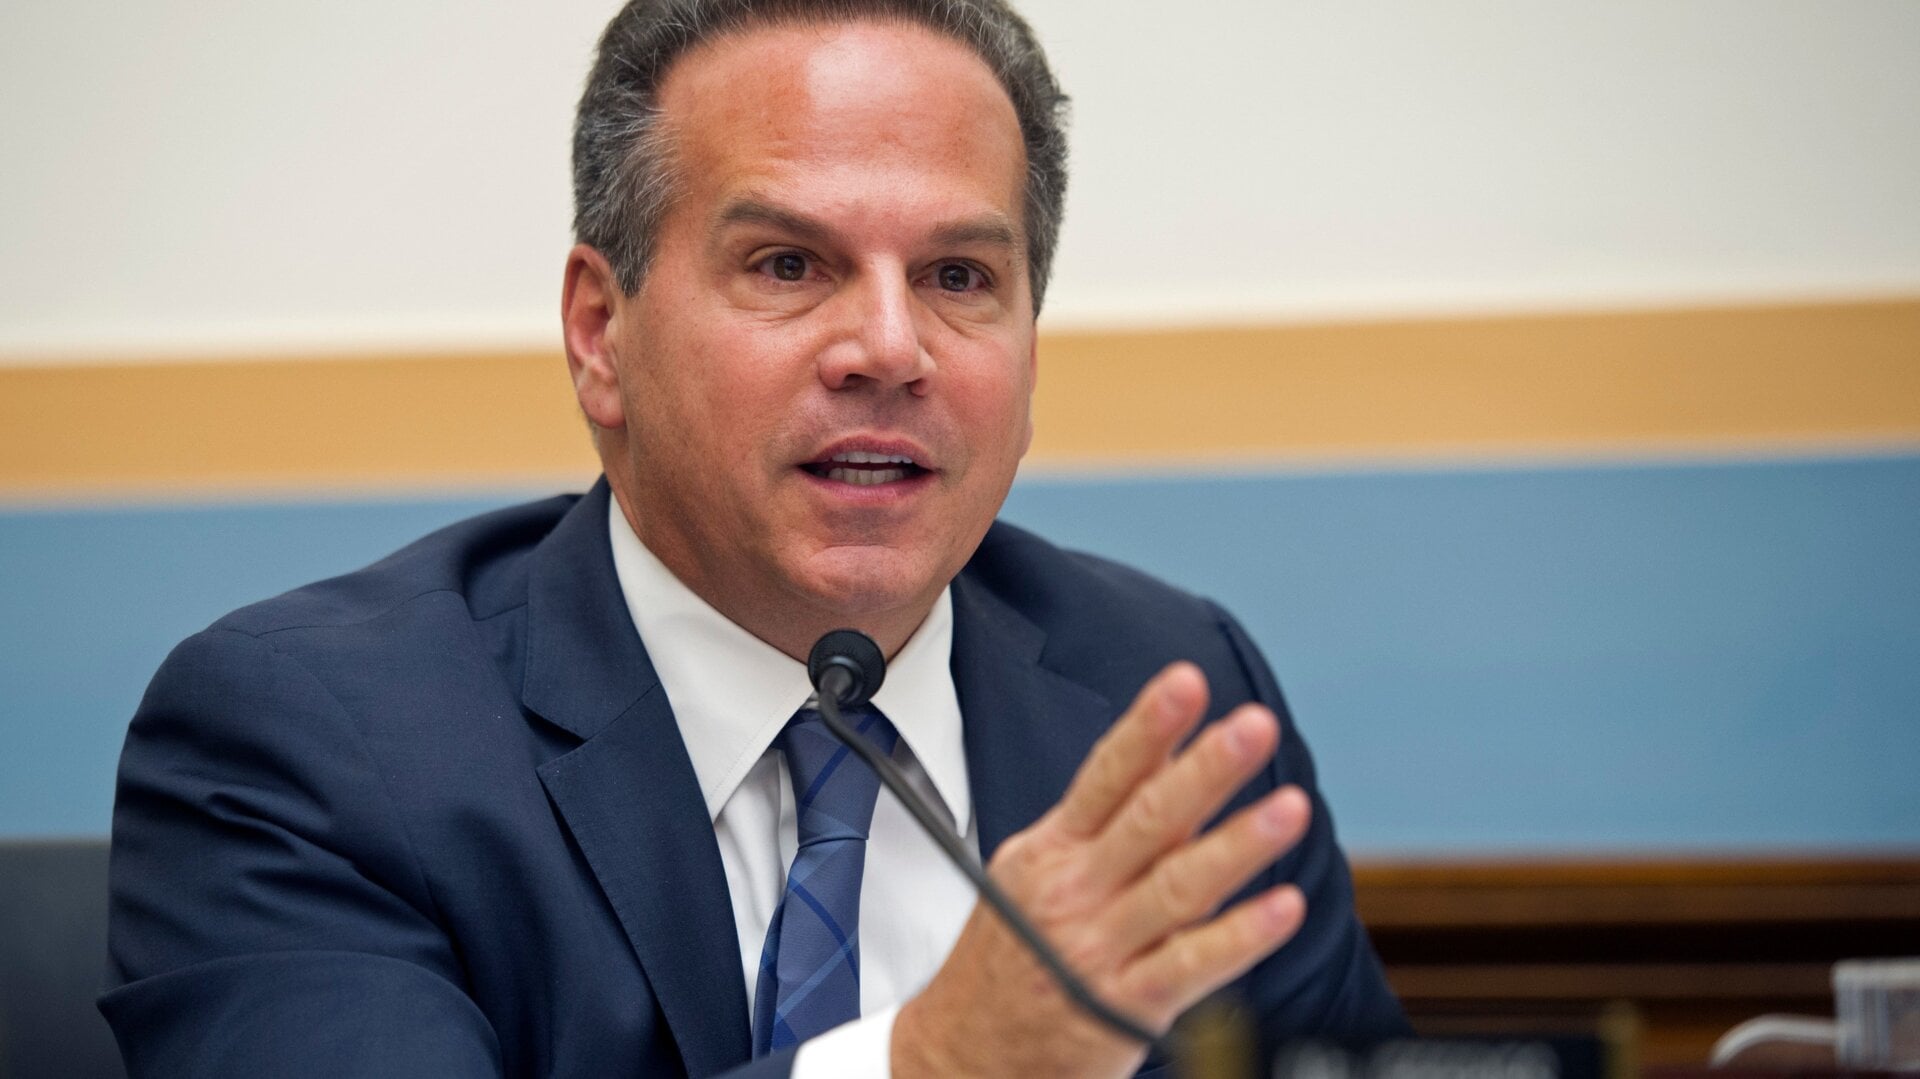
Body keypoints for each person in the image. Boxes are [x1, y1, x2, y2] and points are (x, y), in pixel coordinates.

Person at [100, 0, 1408, 1075]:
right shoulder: (312, 740)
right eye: (789, 264)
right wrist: (930, 1067)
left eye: (958, 277)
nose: (888, 348)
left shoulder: (1167, 695)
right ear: (600, 334)